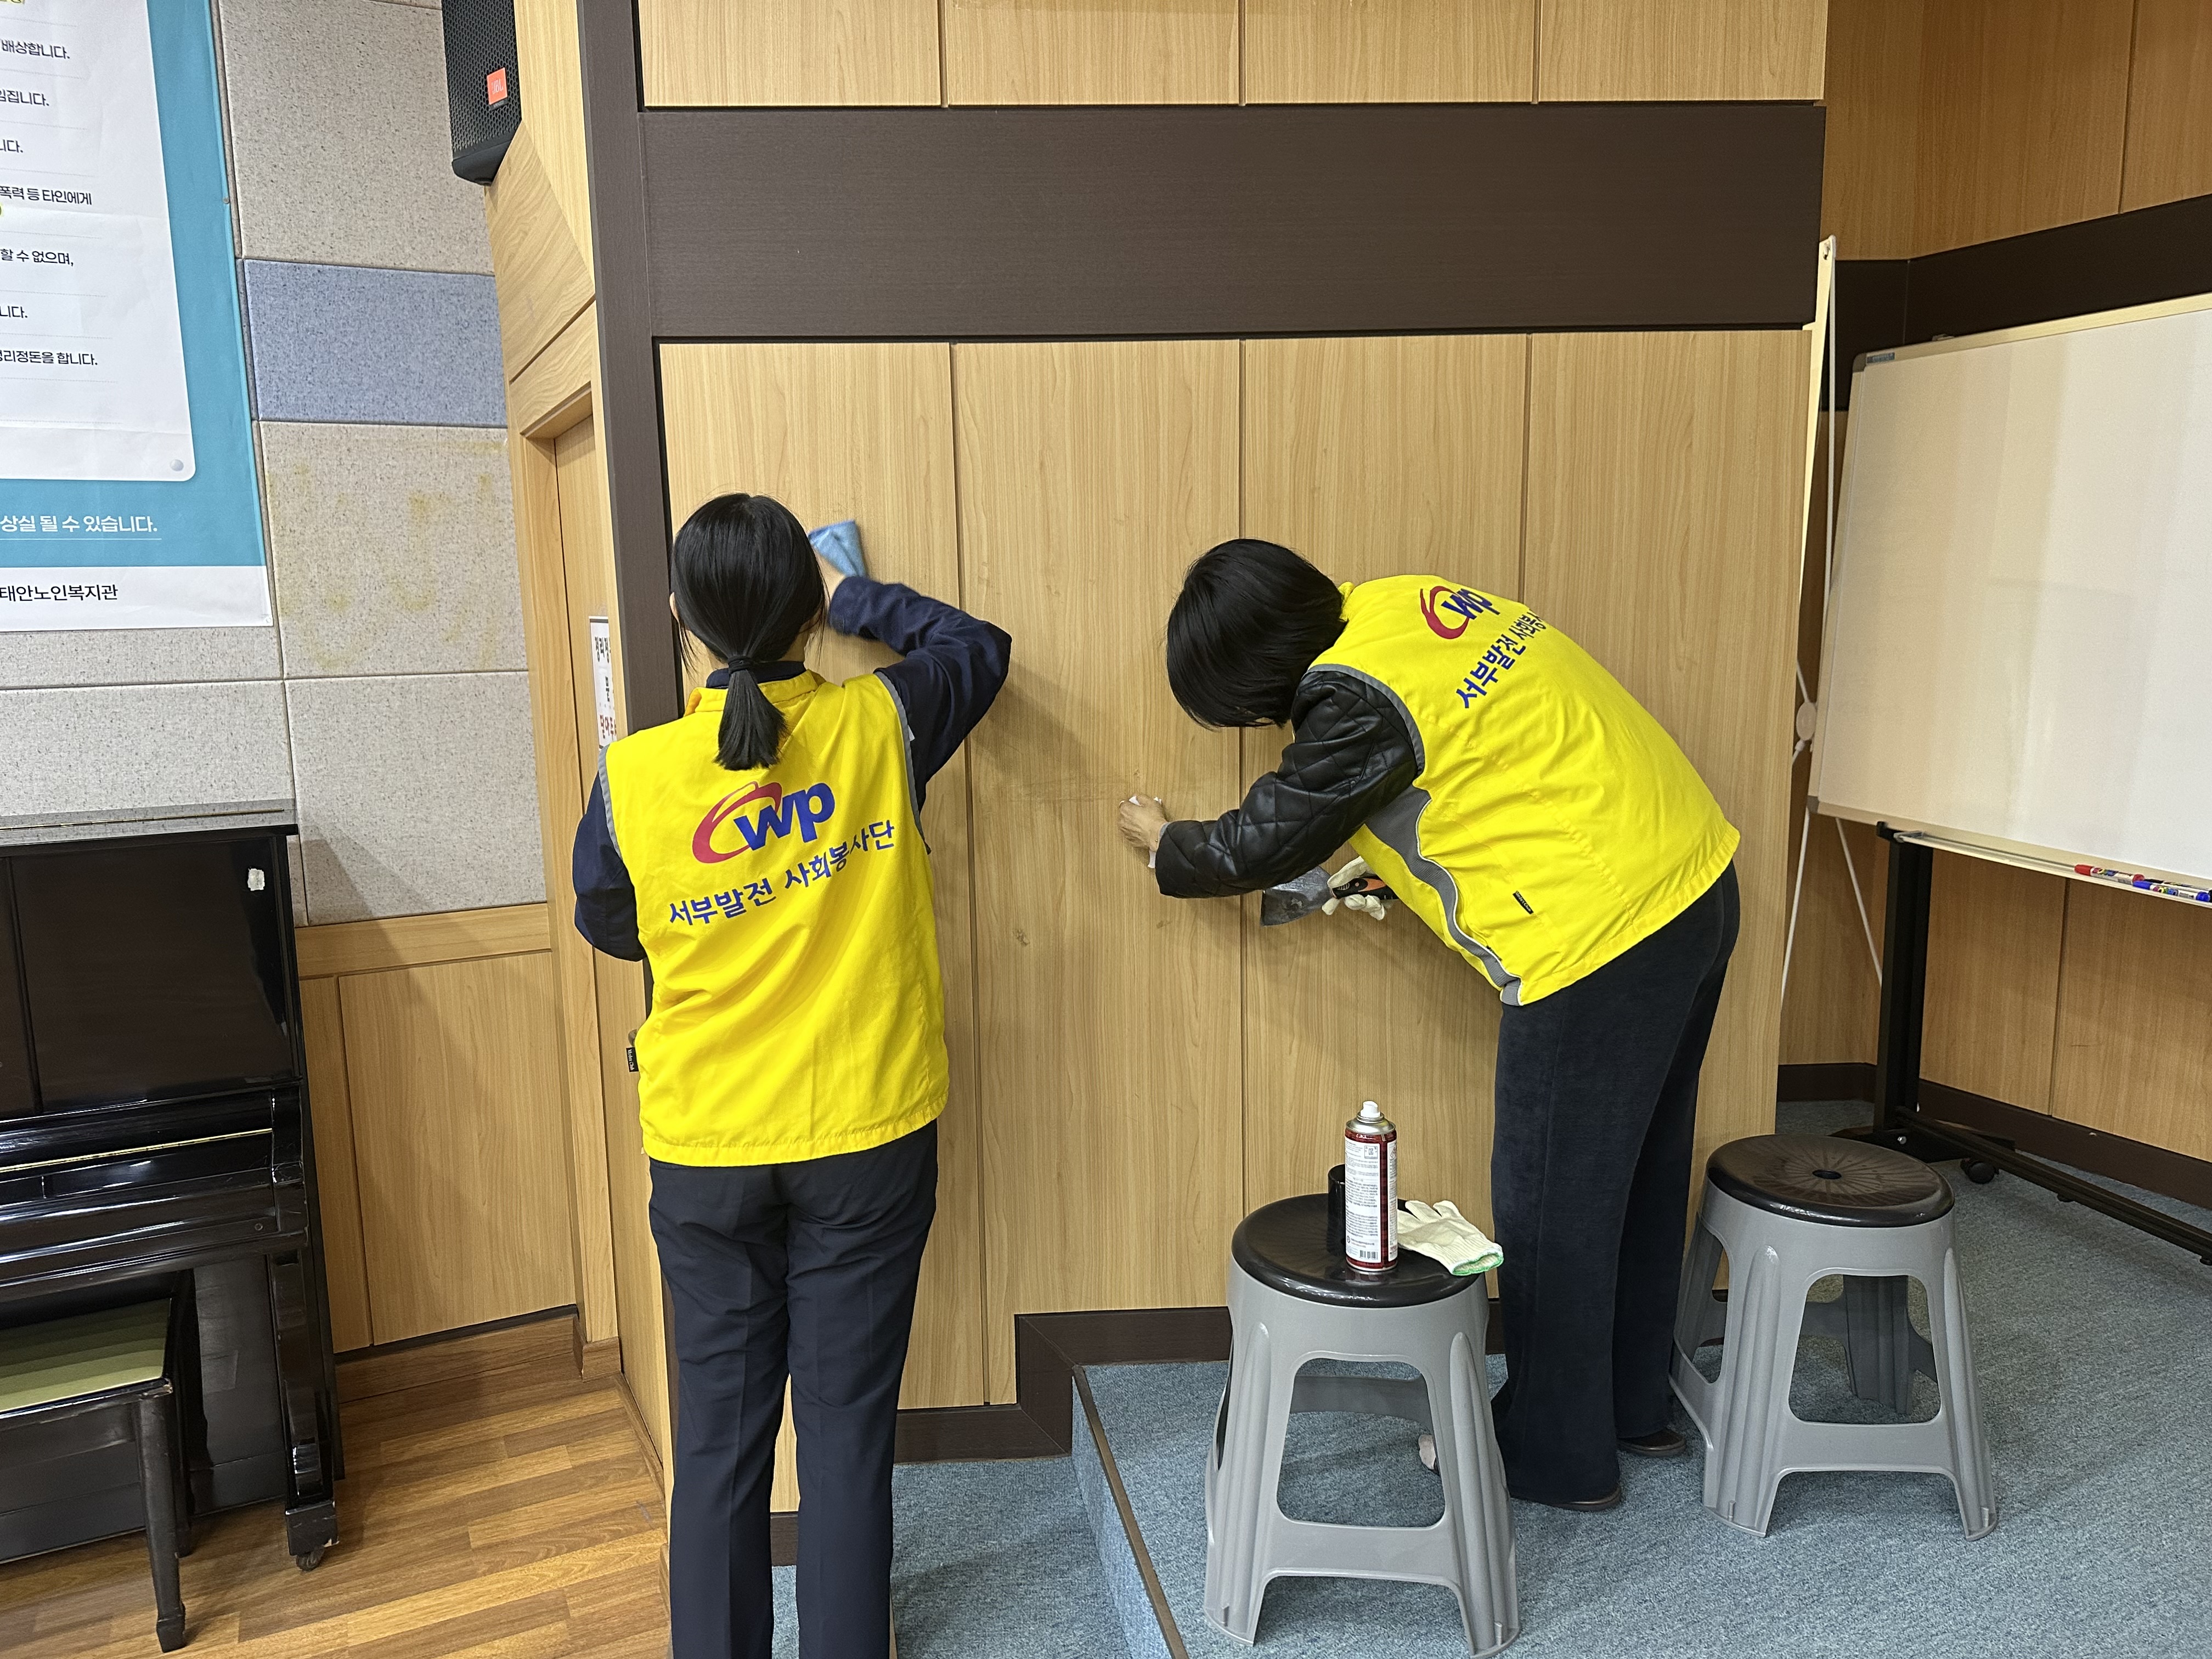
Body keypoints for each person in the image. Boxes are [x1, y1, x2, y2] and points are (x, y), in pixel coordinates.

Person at [1116, 540, 1739, 1512]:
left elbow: (1261, 840)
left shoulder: (1351, 700)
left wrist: (1167, 845)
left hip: (1598, 941)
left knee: (1551, 1209)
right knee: (1639, 1175)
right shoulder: (1401, 606)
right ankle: (1628, 1408)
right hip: (1692, 882)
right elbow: (1469, 759)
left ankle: (1555, 1457)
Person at [572, 493, 1010, 1659]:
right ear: (812, 610)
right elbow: (979, 647)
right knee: (846, 1439)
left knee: (717, 1446)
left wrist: (730, 911)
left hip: (708, 1147)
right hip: (865, 1133)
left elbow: (611, 923)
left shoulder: (635, 777)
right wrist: (859, 593)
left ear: (680, 621)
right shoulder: (884, 723)